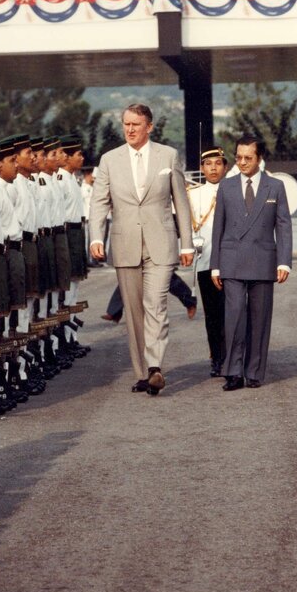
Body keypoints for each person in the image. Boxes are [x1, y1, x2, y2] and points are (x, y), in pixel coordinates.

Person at [88, 103, 194, 396]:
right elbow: (99, 202)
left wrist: (187, 243)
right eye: (126, 124)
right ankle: (143, 372)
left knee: (156, 303)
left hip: (161, 242)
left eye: (136, 124)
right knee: (134, 311)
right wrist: (96, 238)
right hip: (125, 243)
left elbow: (181, 202)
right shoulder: (110, 160)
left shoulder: (167, 156)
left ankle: (155, 366)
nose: (130, 129)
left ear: (149, 126)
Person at [210, 135, 292, 390]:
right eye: (239, 157)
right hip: (231, 261)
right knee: (234, 317)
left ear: (259, 158)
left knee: (260, 319)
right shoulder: (226, 186)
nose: (242, 162)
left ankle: (254, 372)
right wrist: (215, 265)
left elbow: (284, 225)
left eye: (248, 158)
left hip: (263, 261)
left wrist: (284, 262)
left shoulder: (275, 186)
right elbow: (218, 227)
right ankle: (233, 372)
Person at [190, 145, 228, 377]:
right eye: (208, 164)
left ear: (225, 167)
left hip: (232, 261)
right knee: (212, 314)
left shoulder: (234, 190)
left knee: (233, 312)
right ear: (202, 168)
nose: (213, 168)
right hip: (206, 260)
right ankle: (217, 357)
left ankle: (233, 356)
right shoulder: (193, 194)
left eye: (218, 163)